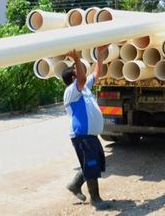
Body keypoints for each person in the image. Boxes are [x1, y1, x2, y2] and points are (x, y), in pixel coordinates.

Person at [62, 46, 111, 210]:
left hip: (90, 135)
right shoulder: (71, 91)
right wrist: (75, 59)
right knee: (91, 164)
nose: (82, 69)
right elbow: (82, 79)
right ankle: (95, 199)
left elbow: (97, 72)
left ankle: (75, 185)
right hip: (81, 136)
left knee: (96, 162)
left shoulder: (84, 88)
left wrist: (99, 55)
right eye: (78, 69)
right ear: (74, 76)